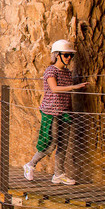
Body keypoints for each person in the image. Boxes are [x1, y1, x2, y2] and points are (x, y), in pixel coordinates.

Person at [22, 40, 86, 185]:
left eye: (71, 55)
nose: (69, 58)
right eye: (66, 55)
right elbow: (54, 88)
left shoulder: (67, 73)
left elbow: (66, 94)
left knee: (63, 144)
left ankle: (59, 174)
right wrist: (75, 87)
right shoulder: (51, 71)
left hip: (64, 111)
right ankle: (30, 164)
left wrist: (70, 110)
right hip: (51, 112)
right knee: (50, 143)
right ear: (57, 55)